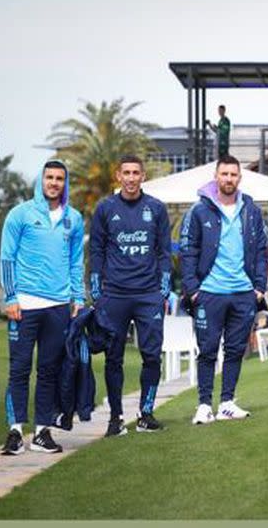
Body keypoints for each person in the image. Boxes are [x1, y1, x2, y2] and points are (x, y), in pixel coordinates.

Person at [0, 159, 85, 455]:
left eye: (59, 178)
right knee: (19, 369)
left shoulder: (73, 218)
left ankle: (41, 432)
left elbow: (76, 261)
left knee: (49, 370)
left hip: (59, 306)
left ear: (65, 183)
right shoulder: (20, 214)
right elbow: (7, 257)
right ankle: (14, 432)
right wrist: (10, 297)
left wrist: (79, 297)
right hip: (25, 304)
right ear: (41, 180)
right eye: (49, 177)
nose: (54, 183)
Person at [179, 155, 267, 424]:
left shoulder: (250, 210)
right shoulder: (199, 211)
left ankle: (227, 403)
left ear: (239, 178)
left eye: (233, 174)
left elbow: (262, 249)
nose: (229, 179)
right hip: (210, 293)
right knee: (207, 350)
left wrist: (260, 287)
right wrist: (193, 289)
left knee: (234, 349)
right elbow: (187, 250)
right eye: (224, 174)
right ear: (216, 177)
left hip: (243, 292)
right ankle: (204, 405)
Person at [89, 154, 172, 436]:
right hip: (114, 295)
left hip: (148, 294)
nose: (131, 178)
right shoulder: (105, 208)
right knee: (113, 358)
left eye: (136, 172)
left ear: (143, 176)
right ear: (118, 176)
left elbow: (164, 251)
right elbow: (97, 250)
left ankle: (146, 413)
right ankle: (116, 418)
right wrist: (96, 289)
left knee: (152, 356)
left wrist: (164, 285)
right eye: (126, 172)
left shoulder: (156, 209)